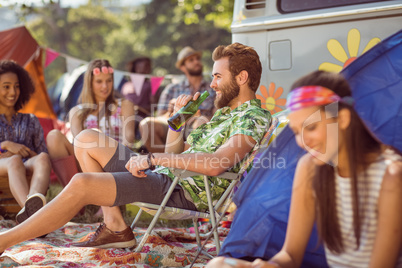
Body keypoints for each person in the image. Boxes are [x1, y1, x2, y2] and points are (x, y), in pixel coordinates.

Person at [0, 42, 271, 252]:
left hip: (179, 191)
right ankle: (115, 226)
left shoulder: (253, 118)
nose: (212, 84)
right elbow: (179, 154)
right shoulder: (223, 116)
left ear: (242, 78)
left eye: (217, 77)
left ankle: (5, 240)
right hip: (167, 178)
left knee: (83, 183)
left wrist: (153, 159)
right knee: (86, 138)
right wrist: (178, 123)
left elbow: (216, 164)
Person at [206, 70, 402, 268]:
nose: (302, 142)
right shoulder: (310, 168)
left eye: (311, 128)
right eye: (297, 132)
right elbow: (290, 255)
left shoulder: (391, 176)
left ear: (342, 119)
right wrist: (267, 265)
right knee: (219, 264)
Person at [46, 59, 135, 187]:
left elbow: (129, 140)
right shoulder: (77, 112)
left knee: (94, 136)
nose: (105, 86)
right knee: (54, 136)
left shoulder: (124, 105)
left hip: (116, 160)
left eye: (108, 81)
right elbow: (78, 145)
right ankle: (74, 190)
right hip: (86, 161)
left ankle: (101, 193)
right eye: (99, 81)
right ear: (90, 83)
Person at [0, 60, 51, 224]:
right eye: (6, 86)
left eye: (16, 86)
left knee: (43, 158)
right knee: (14, 161)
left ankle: (30, 209)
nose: (13, 92)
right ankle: (36, 221)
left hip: (26, 164)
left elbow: (42, 152)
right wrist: (5, 145)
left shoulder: (30, 120)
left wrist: (30, 153)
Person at [139, 46, 216, 153]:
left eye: (198, 59)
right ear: (183, 67)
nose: (196, 62)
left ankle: (187, 162)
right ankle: (163, 163)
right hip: (175, 125)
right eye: (191, 60)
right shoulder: (171, 88)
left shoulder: (212, 88)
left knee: (201, 121)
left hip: (199, 126)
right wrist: (173, 111)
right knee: (146, 124)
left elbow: (217, 116)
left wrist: (197, 116)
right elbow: (160, 117)